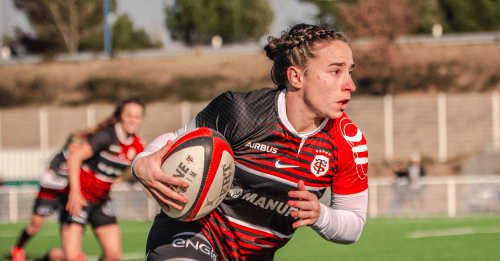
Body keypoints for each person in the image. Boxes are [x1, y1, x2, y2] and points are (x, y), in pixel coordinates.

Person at [132, 23, 369, 261]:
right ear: (296, 76)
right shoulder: (242, 112)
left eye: (350, 71)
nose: (351, 85)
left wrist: (321, 216)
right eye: (336, 71)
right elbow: (177, 140)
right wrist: (142, 162)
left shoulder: (349, 143)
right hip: (192, 234)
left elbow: (354, 223)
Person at [39, 96, 146, 261]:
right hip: (79, 197)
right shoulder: (106, 136)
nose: (133, 120)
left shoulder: (138, 145)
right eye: (129, 115)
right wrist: (75, 193)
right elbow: (74, 158)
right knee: (72, 257)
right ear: (119, 116)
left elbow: (144, 174)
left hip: (101, 201)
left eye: (137, 116)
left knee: (113, 255)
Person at [11, 136, 86, 261]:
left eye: (79, 146)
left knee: (69, 226)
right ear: (69, 145)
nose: (76, 148)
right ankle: (18, 248)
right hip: (47, 196)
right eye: (74, 145)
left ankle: (70, 252)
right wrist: (66, 183)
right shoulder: (60, 158)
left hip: (64, 198)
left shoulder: (82, 160)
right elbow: (46, 179)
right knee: (36, 224)